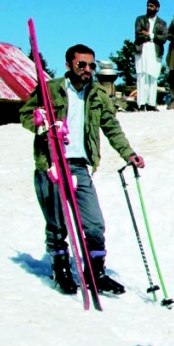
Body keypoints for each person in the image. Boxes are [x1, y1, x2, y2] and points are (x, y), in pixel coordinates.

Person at [20, 44, 144, 296]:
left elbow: (111, 127)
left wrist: (128, 153)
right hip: (51, 163)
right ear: (68, 65)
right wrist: (41, 123)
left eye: (91, 65)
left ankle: (95, 274)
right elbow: (25, 114)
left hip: (78, 166)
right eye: (81, 65)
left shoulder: (97, 94)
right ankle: (61, 270)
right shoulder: (51, 89)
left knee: (94, 224)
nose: (88, 70)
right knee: (56, 224)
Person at [134, 0, 167, 111]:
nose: (149, 8)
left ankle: (152, 103)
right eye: (148, 5)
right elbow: (138, 35)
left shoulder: (162, 23)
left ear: (157, 8)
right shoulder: (140, 20)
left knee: (153, 77)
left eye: (152, 6)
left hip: (155, 50)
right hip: (142, 49)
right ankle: (141, 103)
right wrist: (151, 36)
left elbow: (163, 38)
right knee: (142, 76)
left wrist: (150, 34)